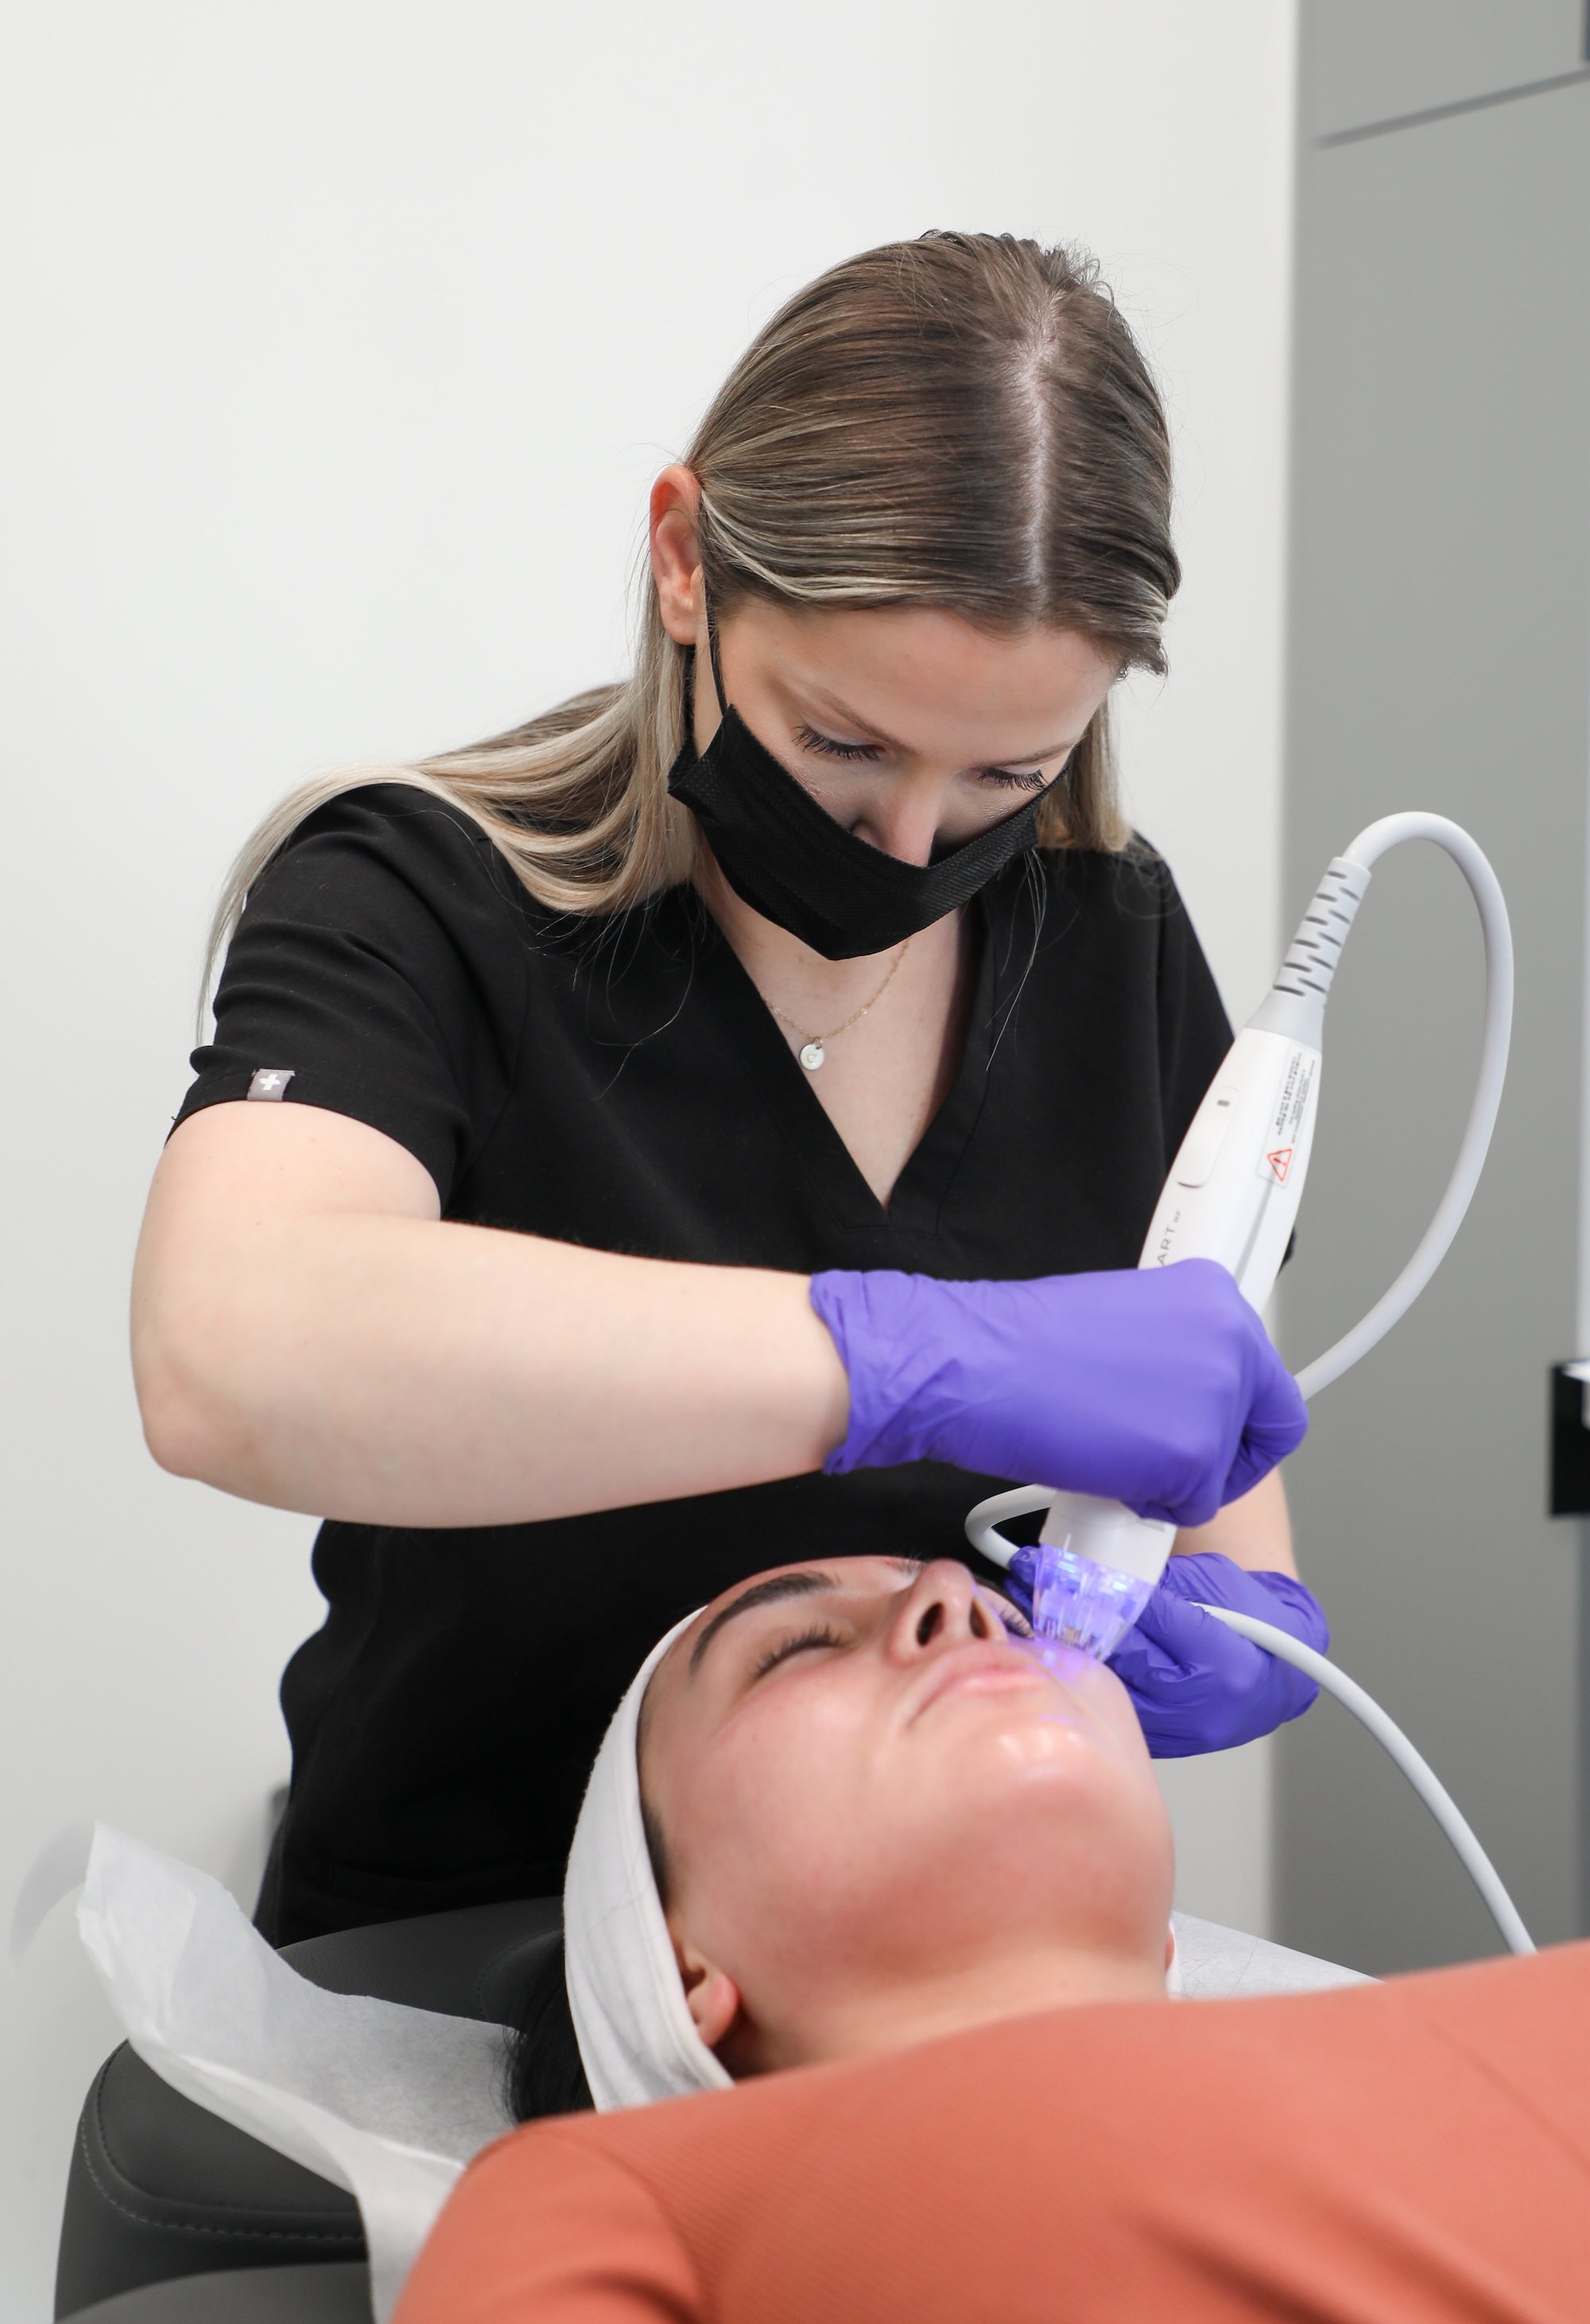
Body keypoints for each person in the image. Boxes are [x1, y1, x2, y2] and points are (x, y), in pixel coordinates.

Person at [131, 230, 1313, 1950]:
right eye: (844, 743)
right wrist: (899, 1361)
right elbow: (227, 1350)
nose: (913, 845)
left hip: (929, 1969)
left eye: (1009, 773)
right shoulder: (426, 897)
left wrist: (1234, 1609)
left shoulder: (1110, 945)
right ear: (688, 565)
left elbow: (1210, 1486)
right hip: (459, 1958)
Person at [397, 1557, 1590, 2324]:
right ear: (681, 1968)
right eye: (798, 1645)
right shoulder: (627, 2194)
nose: (960, 1601)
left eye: (1013, 1612)